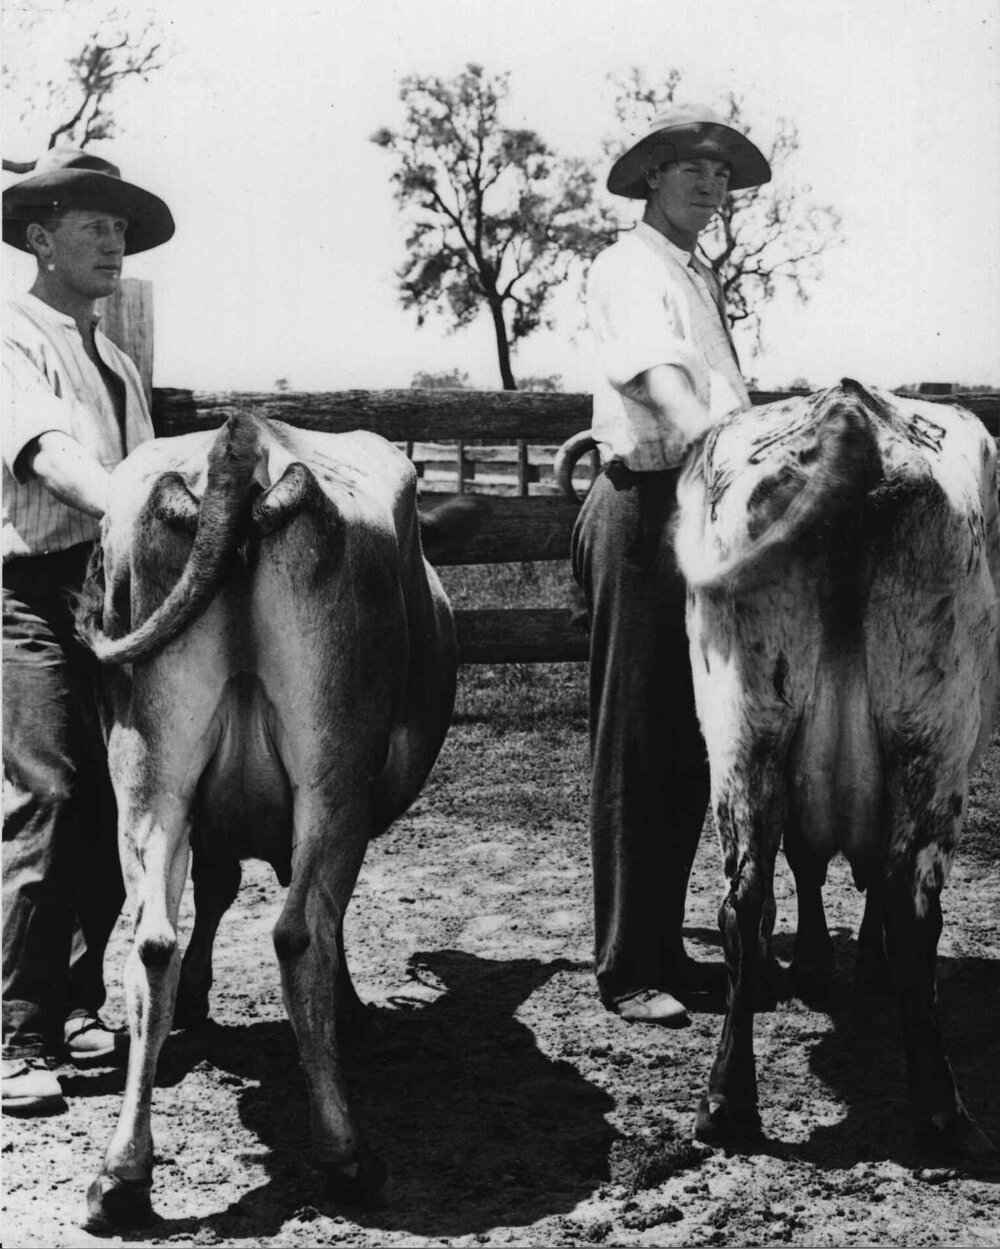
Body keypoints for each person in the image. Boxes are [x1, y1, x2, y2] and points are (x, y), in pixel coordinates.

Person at [571, 104, 771, 1025]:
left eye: (721, 174)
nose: (708, 183)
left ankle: (662, 947)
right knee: (638, 735)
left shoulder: (695, 276)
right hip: (650, 504)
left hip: (701, 502)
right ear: (650, 179)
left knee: (694, 739)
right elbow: (658, 379)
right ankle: (624, 965)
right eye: (689, 168)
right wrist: (725, 447)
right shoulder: (627, 268)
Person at [2, 147, 175, 1113]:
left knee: (115, 799)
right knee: (48, 793)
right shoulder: (10, 333)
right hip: (32, 587)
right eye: (93, 225)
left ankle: (74, 1003)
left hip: (113, 591)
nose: (113, 242)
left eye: (120, 229)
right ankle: (16, 1033)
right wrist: (126, 506)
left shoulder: (114, 357)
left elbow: (147, 466)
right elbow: (46, 451)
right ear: (39, 237)